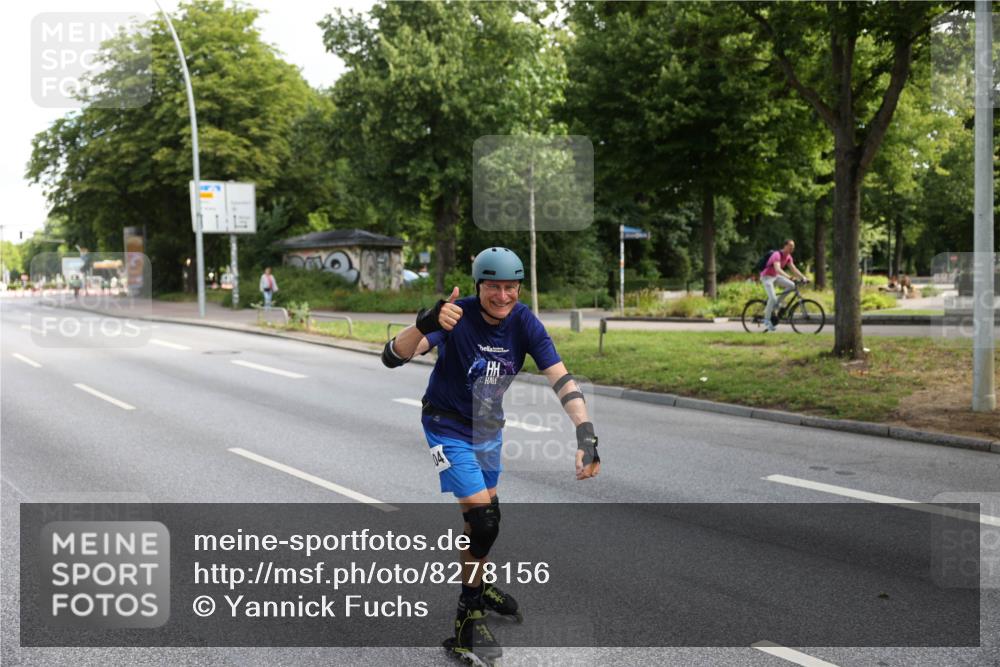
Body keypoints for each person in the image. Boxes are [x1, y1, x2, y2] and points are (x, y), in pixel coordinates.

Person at [382, 247, 601, 666]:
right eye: (493, 287)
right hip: (445, 424)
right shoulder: (455, 315)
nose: (502, 295)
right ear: (479, 285)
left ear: (519, 287)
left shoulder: (524, 322)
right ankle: (468, 617)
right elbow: (393, 356)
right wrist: (425, 322)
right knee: (481, 521)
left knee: (485, 519)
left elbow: (562, 379)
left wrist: (586, 431)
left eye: (510, 287)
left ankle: (478, 585)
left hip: (487, 427)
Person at [760, 239, 808, 332]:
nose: (792, 248)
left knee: (792, 286)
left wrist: (803, 277)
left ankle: (776, 304)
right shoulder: (777, 255)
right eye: (790, 246)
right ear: (785, 246)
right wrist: (789, 277)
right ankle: (766, 319)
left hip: (775, 276)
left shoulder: (788, 257)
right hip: (767, 277)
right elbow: (777, 269)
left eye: (793, 247)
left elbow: (794, 268)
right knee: (772, 298)